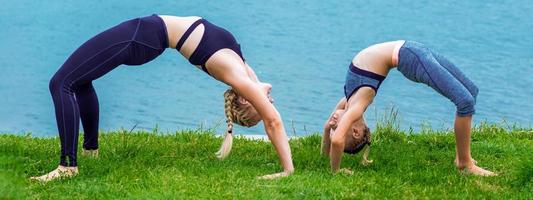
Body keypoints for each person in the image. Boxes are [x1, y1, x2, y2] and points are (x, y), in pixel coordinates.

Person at [31, 14, 294, 182]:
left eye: (264, 105)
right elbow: (262, 87)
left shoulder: (235, 75)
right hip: (144, 34)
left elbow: (274, 122)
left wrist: (287, 169)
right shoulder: (243, 69)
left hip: (140, 37)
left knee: (61, 83)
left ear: (246, 99)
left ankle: (67, 166)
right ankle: (91, 151)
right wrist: (261, 90)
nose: (271, 100)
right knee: (81, 80)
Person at [325, 40, 497, 176]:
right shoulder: (356, 107)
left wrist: (326, 147)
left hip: (413, 49)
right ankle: (464, 164)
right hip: (410, 58)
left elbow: (328, 130)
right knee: (465, 102)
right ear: (355, 131)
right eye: (337, 127)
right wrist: (336, 171)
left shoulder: (347, 101)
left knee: (471, 91)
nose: (333, 123)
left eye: (334, 127)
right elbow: (337, 140)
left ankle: (462, 156)